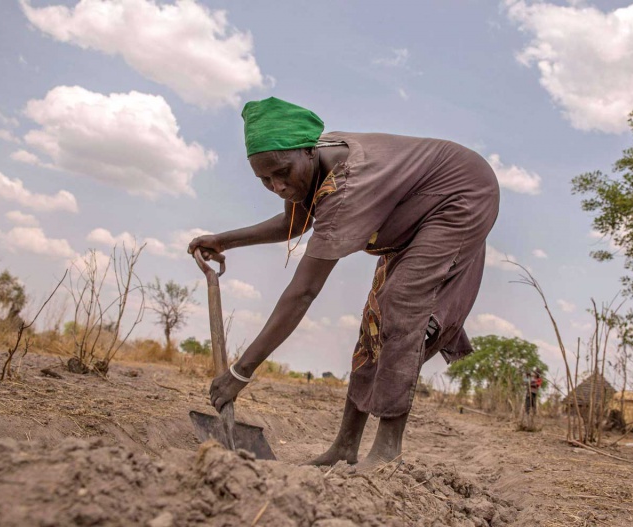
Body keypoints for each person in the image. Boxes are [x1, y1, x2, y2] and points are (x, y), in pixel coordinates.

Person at [188, 97, 500, 471]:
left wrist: (241, 372)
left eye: (282, 173)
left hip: (461, 195)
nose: (278, 185)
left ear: (308, 150)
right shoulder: (312, 170)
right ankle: (345, 446)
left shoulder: (346, 186)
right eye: (265, 179)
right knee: (374, 321)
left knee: (402, 305)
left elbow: (303, 292)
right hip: (414, 213)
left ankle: (387, 450)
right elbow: (296, 222)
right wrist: (225, 240)